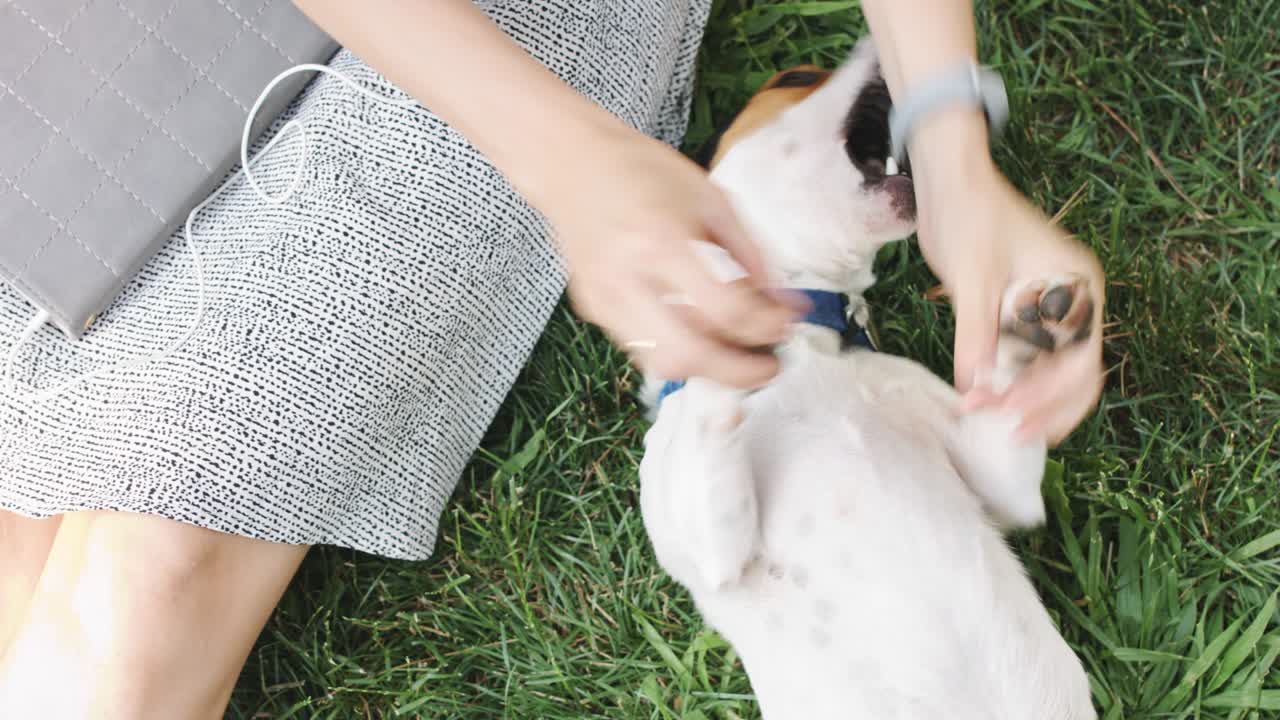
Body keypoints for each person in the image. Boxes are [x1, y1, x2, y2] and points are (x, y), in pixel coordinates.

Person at [0, 0, 1103, 717]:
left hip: (513, 36)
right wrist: (566, 161)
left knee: (142, 591)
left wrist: (953, 151)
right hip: (81, 64)